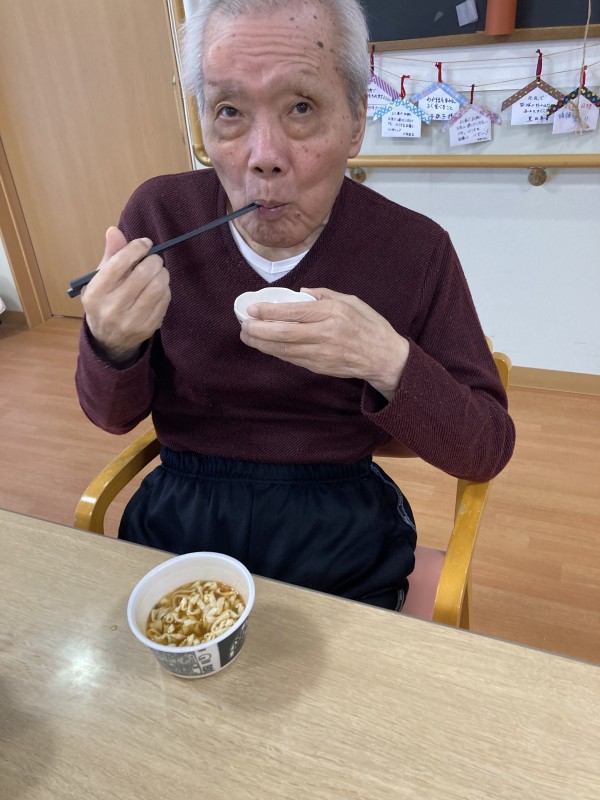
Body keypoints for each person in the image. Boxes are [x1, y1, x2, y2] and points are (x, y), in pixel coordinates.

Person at [76, 0, 515, 611]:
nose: (264, 155)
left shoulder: (414, 249)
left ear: (356, 121)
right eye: (230, 111)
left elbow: (484, 448)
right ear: (204, 124)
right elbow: (112, 417)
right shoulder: (160, 215)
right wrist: (111, 343)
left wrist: (384, 358)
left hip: (341, 520)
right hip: (183, 510)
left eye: (301, 108)